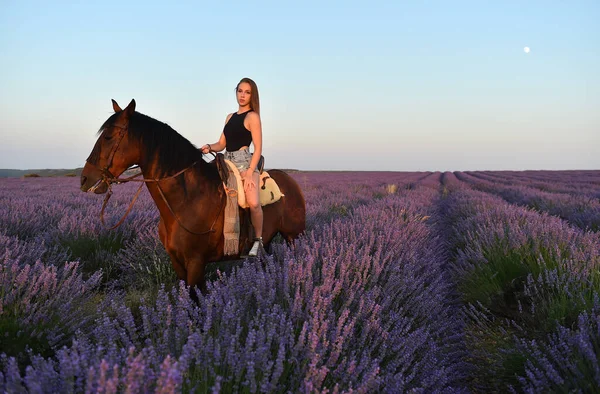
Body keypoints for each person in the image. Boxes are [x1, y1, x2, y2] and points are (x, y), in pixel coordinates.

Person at [200, 77, 263, 257]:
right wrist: (209, 147)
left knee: (253, 202)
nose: (242, 95)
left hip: (245, 162)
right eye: (240, 91)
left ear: (252, 96)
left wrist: (250, 172)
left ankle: (258, 241)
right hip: (227, 161)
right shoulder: (230, 117)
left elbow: (258, 148)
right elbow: (222, 143)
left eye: (247, 92)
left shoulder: (252, 117)